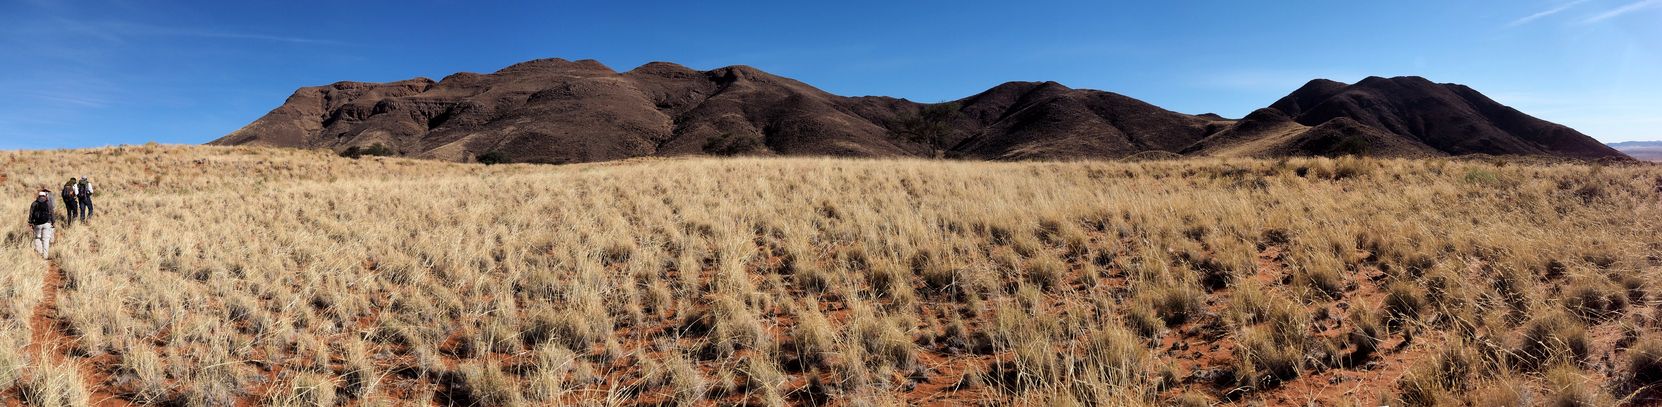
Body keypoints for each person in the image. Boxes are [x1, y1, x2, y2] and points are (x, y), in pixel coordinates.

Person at [29, 191, 54, 259]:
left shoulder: (34, 203)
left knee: (37, 238)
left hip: (37, 224)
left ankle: (39, 252)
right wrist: (53, 222)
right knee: (46, 239)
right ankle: (45, 256)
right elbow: (52, 213)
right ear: (45, 196)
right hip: (47, 223)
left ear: (38, 196)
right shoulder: (48, 203)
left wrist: (30, 222)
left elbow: (31, 214)